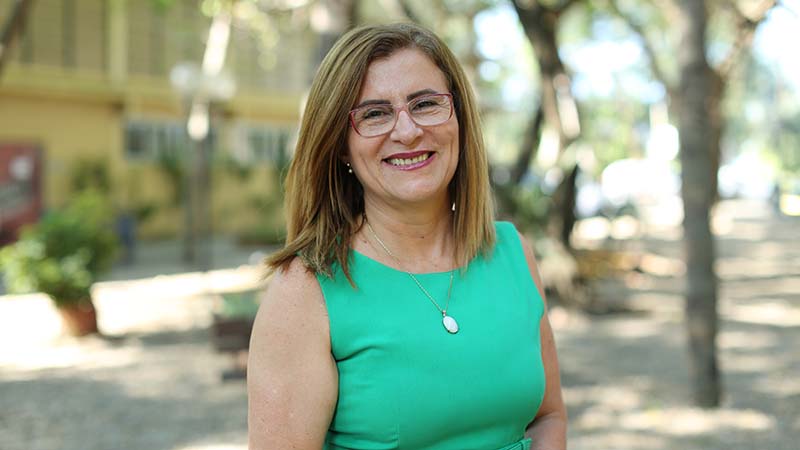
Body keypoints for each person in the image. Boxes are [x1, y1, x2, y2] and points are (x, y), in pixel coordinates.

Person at [247, 22, 567, 450]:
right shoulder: (306, 290)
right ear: (341, 144)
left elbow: (548, 417)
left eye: (426, 104)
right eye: (374, 114)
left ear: (458, 117)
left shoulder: (512, 252)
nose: (408, 130)